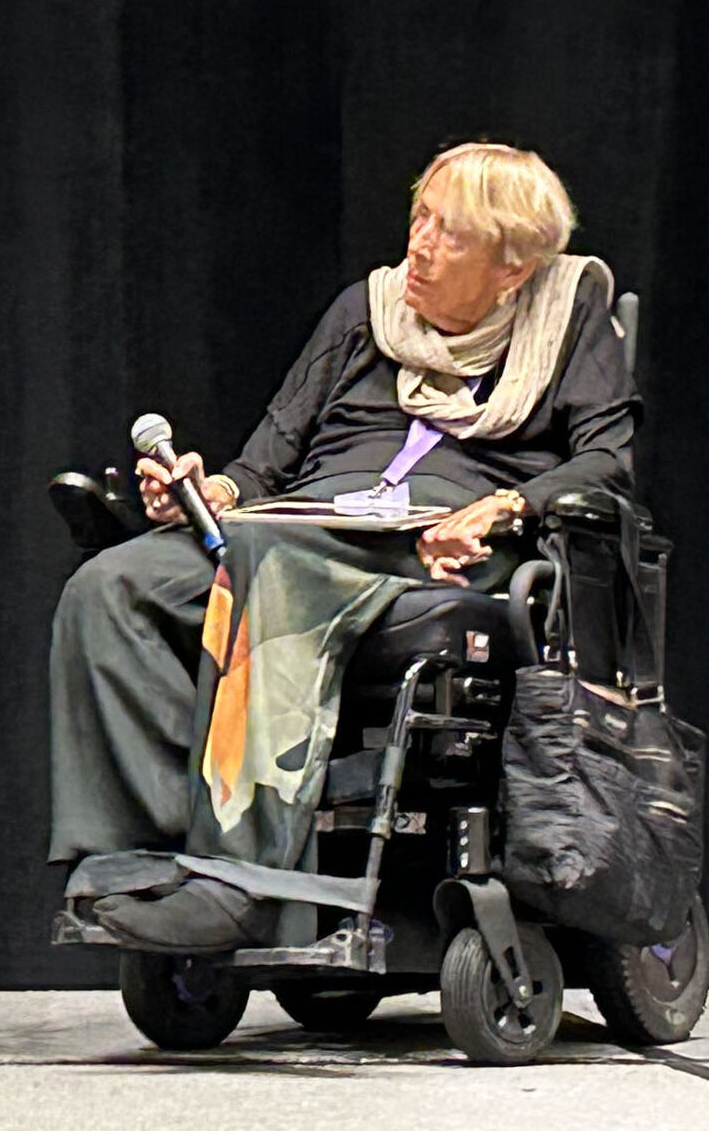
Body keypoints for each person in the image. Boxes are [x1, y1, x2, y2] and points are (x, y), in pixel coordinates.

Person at [49, 142, 637, 951]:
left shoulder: (566, 315)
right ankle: (146, 857)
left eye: (449, 234)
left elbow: (606, 461)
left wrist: (507, 506)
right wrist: (210, 491)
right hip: (304, 523)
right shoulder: (368, 310)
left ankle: (240, 878)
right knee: (110, 586)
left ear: (511, 268)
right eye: (418, 218)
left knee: (270, 568)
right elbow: (268, 457)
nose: (418, 246)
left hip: (444, 546)